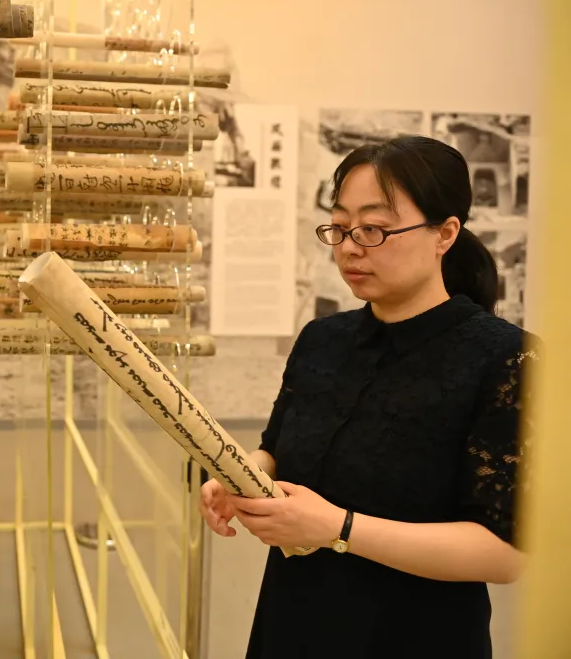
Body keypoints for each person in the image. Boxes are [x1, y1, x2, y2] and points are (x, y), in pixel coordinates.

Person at [199, 135, 535, 658]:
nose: (350, 247)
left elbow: (504, 553)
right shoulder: (322, 339)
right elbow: (277, 450)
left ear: (446, 233)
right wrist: (241, 475)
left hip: (416, 636)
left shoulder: (507, 357)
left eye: (374, 229)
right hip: (294, 621)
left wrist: (338, 528)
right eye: (340, 227)